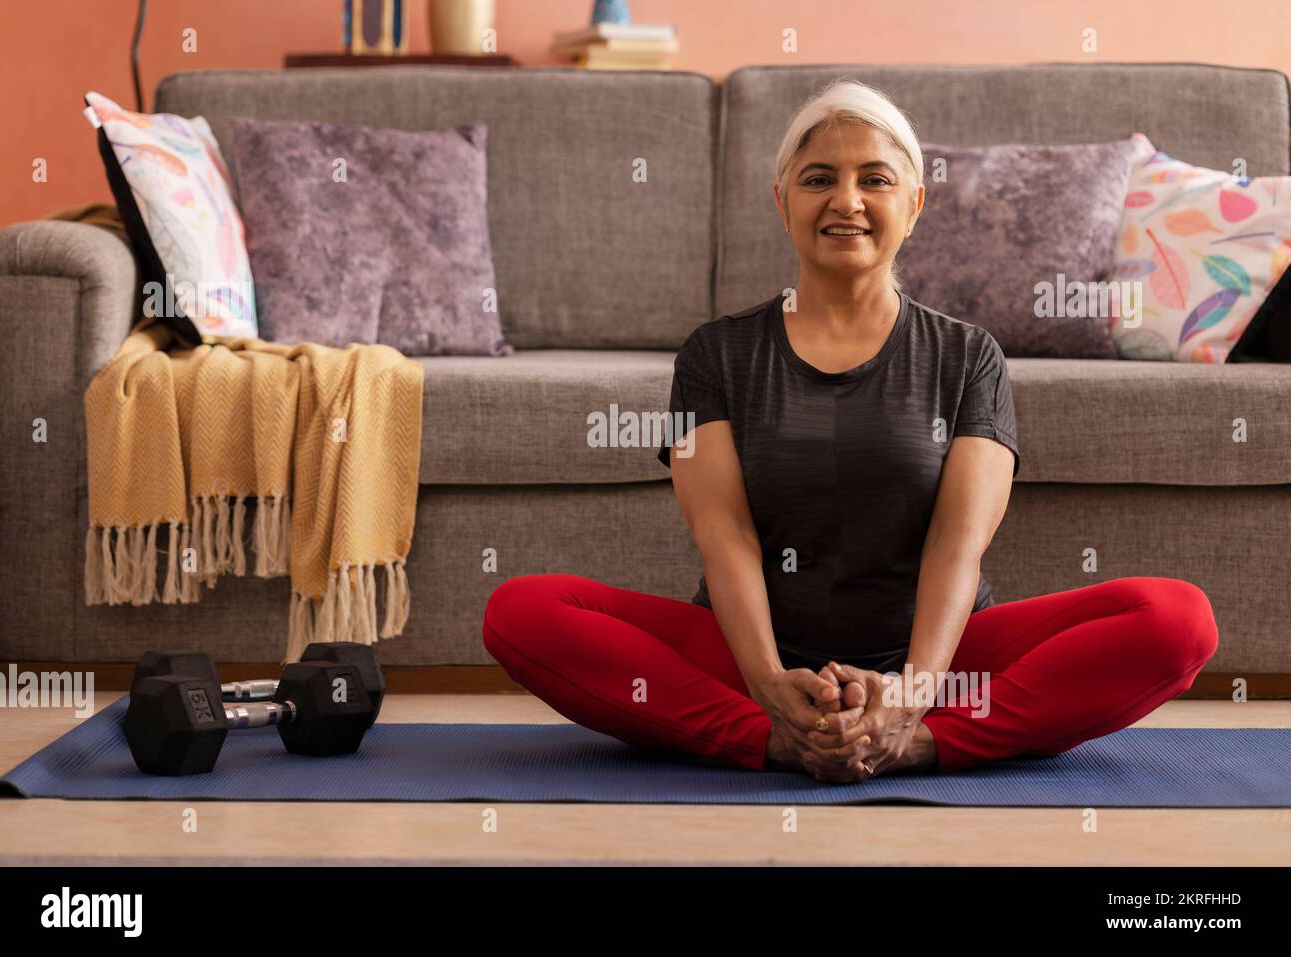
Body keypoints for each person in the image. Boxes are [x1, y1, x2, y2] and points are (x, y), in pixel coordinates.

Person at [482, 79, 1219, 782]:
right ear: (781, 201)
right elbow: (723, 535)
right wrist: (770, 685)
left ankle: (918, 747)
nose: (847, 201)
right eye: (817, 179)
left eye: (875, 179)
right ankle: (776, 739)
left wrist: (912, 695)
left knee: (1178, 620)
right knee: (520, 610)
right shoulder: (713, 355)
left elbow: (957, 543)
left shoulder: (969, 357)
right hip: (747, 659)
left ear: (915, 202)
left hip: (940, 663)